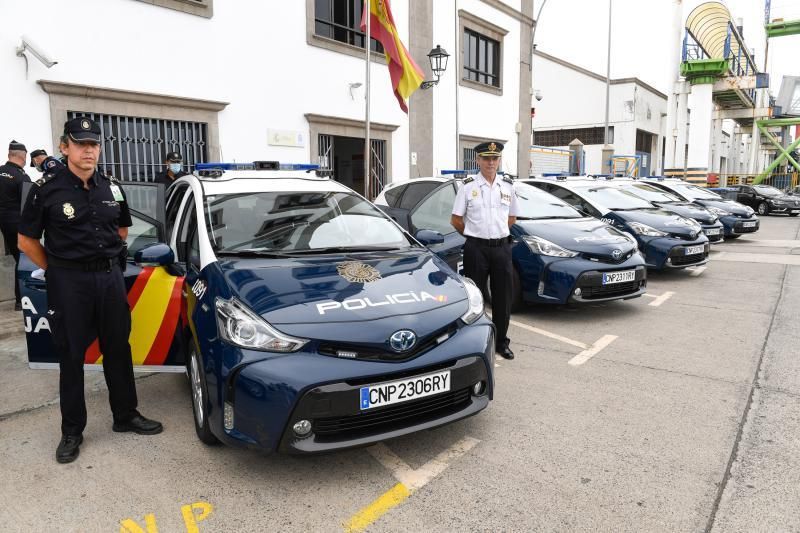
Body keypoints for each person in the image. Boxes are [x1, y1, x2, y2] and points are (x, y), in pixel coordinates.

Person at [18, 118, 163, 464]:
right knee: (71, 356)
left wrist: (106, 262)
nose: (88, 150)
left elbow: (123, 230)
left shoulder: (111, 186)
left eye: (94, 144)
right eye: (80, 143)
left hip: (109, 279)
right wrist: (58, 268)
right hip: (69, 283)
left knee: (118, 347)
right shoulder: (46, 189)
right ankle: (72, 431)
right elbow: (25, 240)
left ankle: (125, 415)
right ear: (65, 146)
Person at [450, 141, 519, 360]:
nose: (491, 163)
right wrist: (474, 234)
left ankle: (501, 342)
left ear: (499, 161)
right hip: (476, 249)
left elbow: (512, 218)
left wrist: (496, 234)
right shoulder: (468, 187)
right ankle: (476, 343)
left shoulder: (507, 186)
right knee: (476, 298)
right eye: (486, 158)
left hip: (501, 249)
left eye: (494, 158)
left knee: (503, 298)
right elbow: (456, 220)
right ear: (477, 160)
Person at [0, 140, 32, 311]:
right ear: (23, 156)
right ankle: (22, 300)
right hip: (17, 225)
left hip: (3, 224)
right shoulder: (22, 176)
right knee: (24, 261)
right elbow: (28, 205)